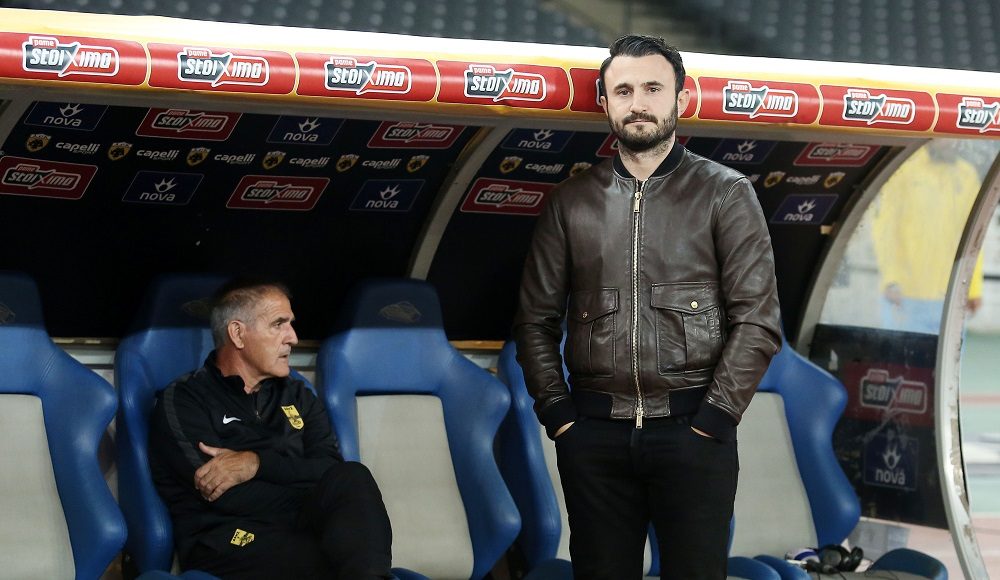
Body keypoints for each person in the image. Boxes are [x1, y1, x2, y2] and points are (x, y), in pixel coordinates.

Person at [513, 35, 782, 579]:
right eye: (624, 91)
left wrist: (714, 419)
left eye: (653, 89)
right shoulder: (570, 203)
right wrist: (561, 419)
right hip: (594, 438)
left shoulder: (725, 193)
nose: (638, 103)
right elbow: (534, 322)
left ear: (682, 98)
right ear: (605, 102)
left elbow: (758, 321)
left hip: (694, 432)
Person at [149, 279, 393, 579]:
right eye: (278, 324)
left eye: (291, 324)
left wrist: (257, 464)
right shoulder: (185, 399)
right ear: (238, 333)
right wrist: (308, 489)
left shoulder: (298, 395)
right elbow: (223, 495)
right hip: (228, 537)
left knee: (354, 476)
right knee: (330, 561)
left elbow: (331, 470)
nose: (293, 338)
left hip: (300, 526)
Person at [871, 139, 985, 334]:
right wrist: (891, 279)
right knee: (900, 353)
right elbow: (885, 229)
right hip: (906, 296)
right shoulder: (903, 169)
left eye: (953, 137)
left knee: (947, 354)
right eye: (943, 136)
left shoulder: (966, 175)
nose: (950, 141)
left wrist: (973, 288)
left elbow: (974, 236)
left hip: (951, 297)